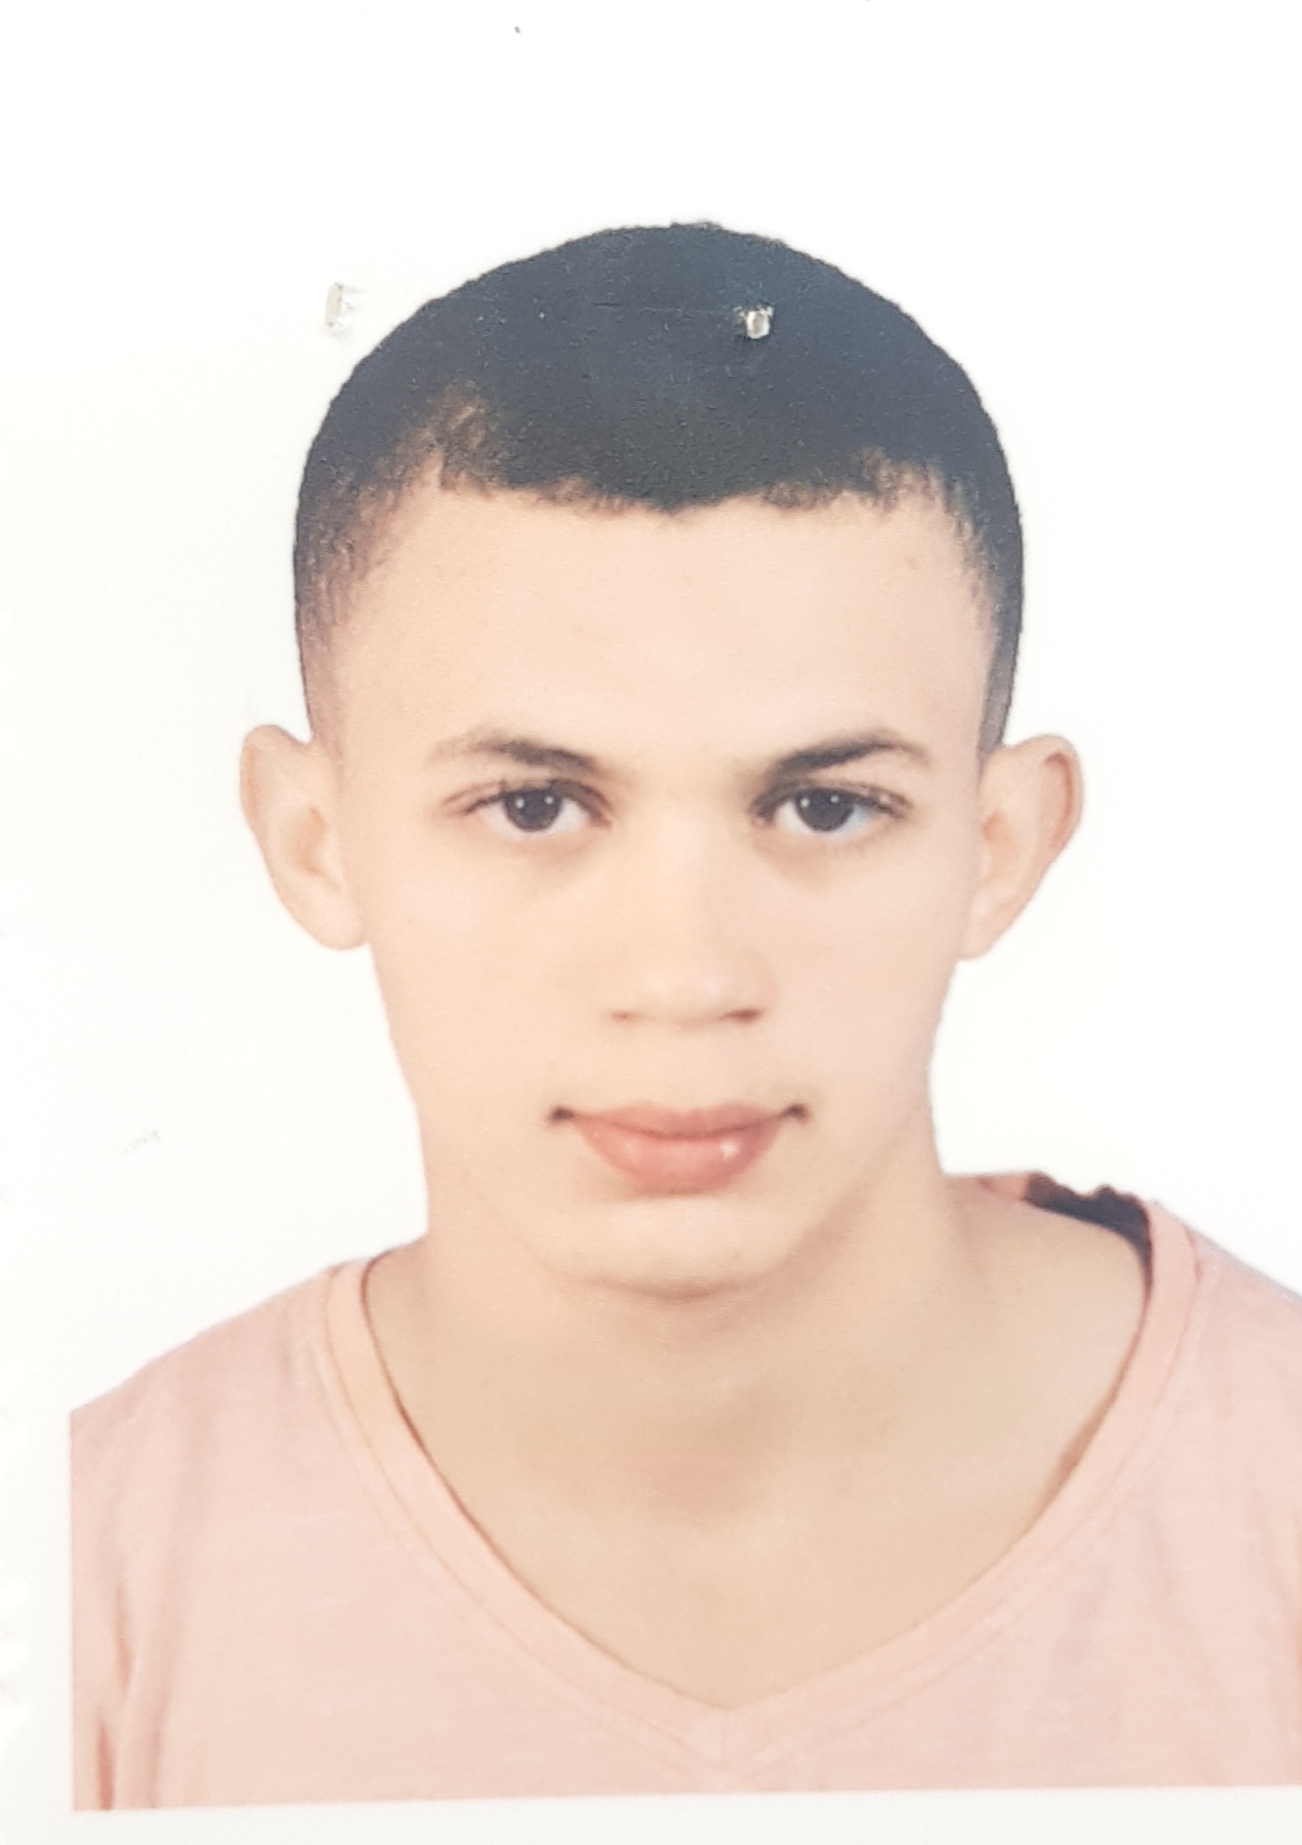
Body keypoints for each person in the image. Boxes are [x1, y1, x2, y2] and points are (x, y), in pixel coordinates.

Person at [72, 223, 1302, 1808]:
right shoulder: (88, 1579)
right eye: (532, 805)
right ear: (315, 841)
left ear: (999, 849)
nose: (683, 974)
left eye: (822, 806)